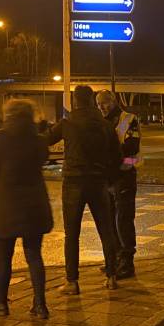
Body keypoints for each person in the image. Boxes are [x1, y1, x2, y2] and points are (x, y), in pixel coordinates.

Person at [0, 98, 53, 319]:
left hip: (6, 205)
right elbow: (42, 160)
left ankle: (1, 302)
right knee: (34, 255)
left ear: (8, 115)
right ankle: (40, 305)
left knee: (3, 257)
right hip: (35, 206)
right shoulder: (39, 141)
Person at [46, 85, 122, 293]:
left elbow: (47, 139)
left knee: (72, 234)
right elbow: (117, 156)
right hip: (98, 182)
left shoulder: (68, 123)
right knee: (105, 230)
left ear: (75, 101)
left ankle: (72, 281)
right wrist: (110, 179)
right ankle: (112, 276)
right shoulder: (105, 125)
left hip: (73, 181)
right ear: (91, 100)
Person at [95, 89, 141, 279]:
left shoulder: (129, 119)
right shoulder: (100, 122)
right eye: (98, 105)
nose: (102, 107)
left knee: (123, 220)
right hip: (108, 177)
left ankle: (127, 263)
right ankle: (114, 260)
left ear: (113, 101)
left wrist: (111, 154)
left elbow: (132, 148)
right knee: (110, 221)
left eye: (105, 103)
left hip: (125, 174)